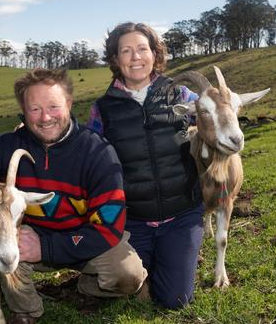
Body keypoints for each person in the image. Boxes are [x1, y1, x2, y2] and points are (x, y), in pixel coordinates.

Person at [0, 68, 146, 324]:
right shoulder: (7, 145)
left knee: (128, 276)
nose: (45, 118)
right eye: (34, 109)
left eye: (53, 106)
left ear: (68, 104)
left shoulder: (98, 153)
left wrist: (46, 247)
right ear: (23, 111)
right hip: (27, 240)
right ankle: (26, 310)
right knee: (3, 244)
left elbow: (109, 228)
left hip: (85, 238)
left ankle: (88, 286)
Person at [87, 22, 203, 309]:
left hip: (182, 215)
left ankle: (169, 262)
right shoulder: (102, 109)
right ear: (115, 60)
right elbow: (86, 156)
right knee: (127, 280)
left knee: (175, 299)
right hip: (132, 219)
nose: (135, 57)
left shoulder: (183, 96)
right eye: (126, 51)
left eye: (142, 49)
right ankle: (95, 274)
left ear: (155, 54)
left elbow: (217, 121)